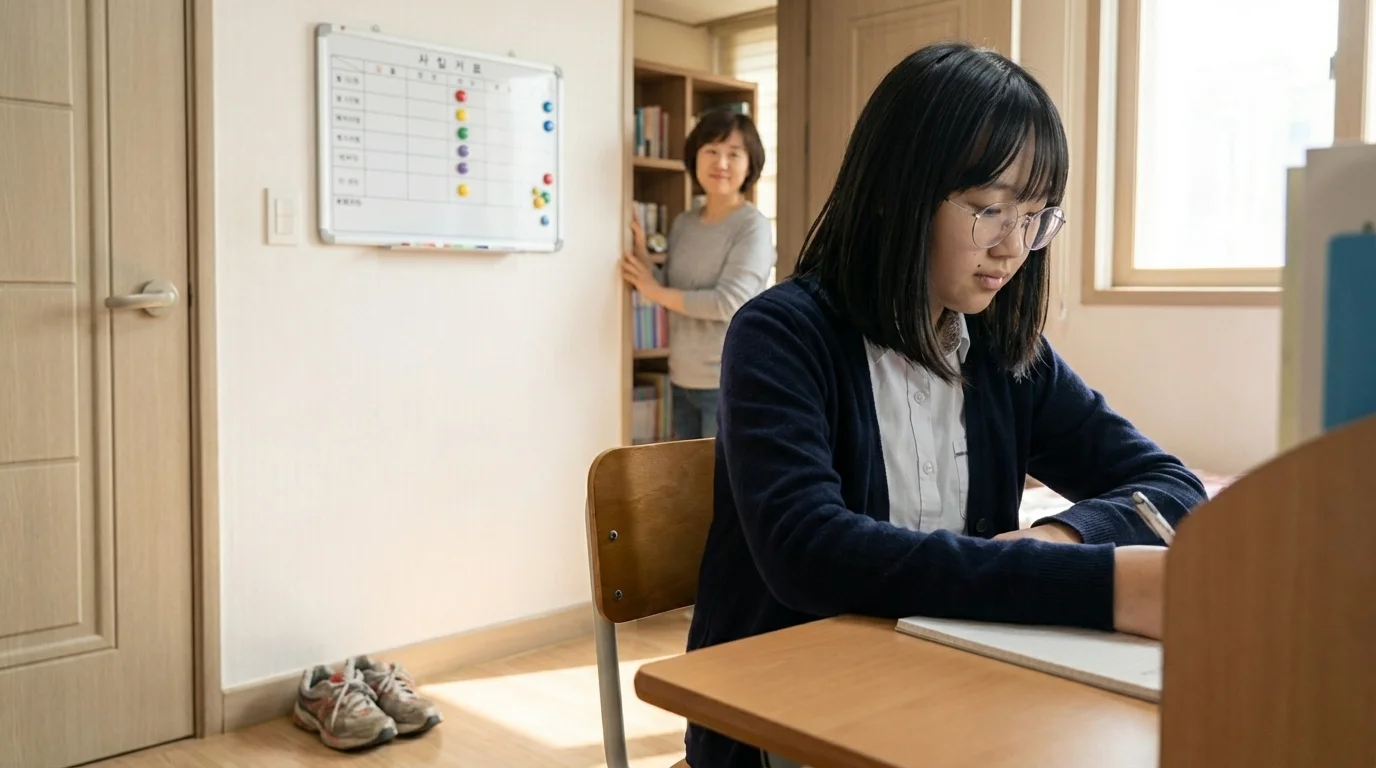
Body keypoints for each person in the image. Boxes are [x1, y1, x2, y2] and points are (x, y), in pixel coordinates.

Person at [683, 42, 1209, 768]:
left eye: (1035, 216)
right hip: (783, 721)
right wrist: (1101, 584)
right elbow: (807, 553)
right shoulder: (782, 334)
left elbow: (1169, 487)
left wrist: (1060, 540)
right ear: (892, 193)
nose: (1013, 247)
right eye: (989, 209)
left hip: (949, 689)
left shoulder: (1002, 351)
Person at [621, 108, 775, 440]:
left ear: (750, 164)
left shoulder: (753, 226)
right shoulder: (684, 223)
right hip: (680, 377)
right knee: (688, 487)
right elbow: (672, 293)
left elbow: (729, 303)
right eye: (711, 152)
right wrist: (646, 263)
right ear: (695, 158)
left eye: (734, 154)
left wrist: (653, 290)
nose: (721, 163)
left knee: (719, 489)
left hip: (727, 382)